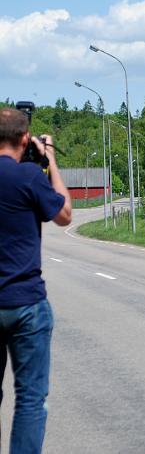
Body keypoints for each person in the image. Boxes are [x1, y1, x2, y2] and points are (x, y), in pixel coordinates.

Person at [0, 108, 71, 453]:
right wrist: (51, 161)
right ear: (25, 138)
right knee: (29, 400)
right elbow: (64, 215)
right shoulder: (29, 176)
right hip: (25, 302)